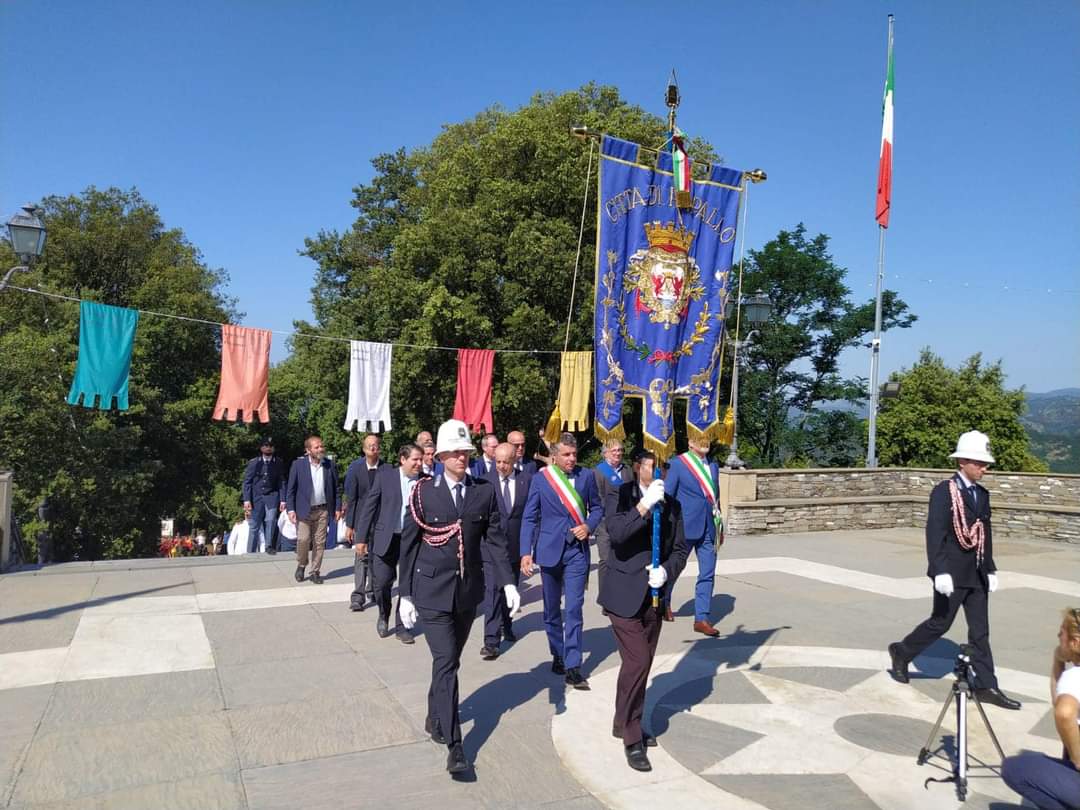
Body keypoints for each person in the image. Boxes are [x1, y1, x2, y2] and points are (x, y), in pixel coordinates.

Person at [398, 419, 520, 776]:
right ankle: (456, 745)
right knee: (447, 661)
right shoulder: (423, 493)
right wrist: (405, 594)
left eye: (466, 452)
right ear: (441, 456)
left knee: (449, 662)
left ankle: (435, 711)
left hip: (467, 593)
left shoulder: (483, 491)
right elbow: (408, 545)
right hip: (431, 592)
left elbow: (496, 541)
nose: (462, 458)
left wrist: (509, 583)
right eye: (454, 453)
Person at [887, 430, 1021, 710]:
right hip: (952, 571)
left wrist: (991, 568)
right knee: (940, 623)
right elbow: (935, 532)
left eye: (985, 463)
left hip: (977, 573)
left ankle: (986, 685)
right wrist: (939, 571)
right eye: (979, 462)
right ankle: (902, 651)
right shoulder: (944, 491)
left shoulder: (981, 495)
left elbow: (984, 532)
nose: (984, 468)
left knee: (980, 631)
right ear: (962, 462)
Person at [602, 450, 688, 772]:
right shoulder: (620, 494)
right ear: (638, 467)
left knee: (641, 665)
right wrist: (644, 505)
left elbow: (680, 548)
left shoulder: (673, 504)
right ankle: (632, 736)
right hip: (622, 594)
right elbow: (618, 533)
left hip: (654, 596)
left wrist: (667, 571)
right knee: (637, 660)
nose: (657, 470)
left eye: (662, 465)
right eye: (652, 464)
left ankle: (621, 719)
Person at [520, 432, 603, 689]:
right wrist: (526, 551)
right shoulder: (541, 480)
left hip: (577, 551)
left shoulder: (586, 476)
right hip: (549, 550)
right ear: (554, 456)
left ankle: (573, 664)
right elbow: (529, 517)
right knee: (552, 608)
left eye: (574, 454)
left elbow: (598, 508)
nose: (571, 459)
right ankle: (557, 651)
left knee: (574, 608)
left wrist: (588, 526)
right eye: (566, 455)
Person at [1002, 608, 1080, 809]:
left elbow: (1064, 713)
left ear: (1075, 642)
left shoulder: (1075, 678)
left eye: (1061, 633)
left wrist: (1079, 761)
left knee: (1015, 769)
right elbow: (1060, 701)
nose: (1057, 637)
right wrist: (1058, 661)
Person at [356, 443, 424, 644]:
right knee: (383, 582)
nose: (419, 464)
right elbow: (369, 507)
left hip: (411, 541)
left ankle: (402, 626)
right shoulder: (385, 477)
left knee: (407, 583)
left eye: (421, 460)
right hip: (386, 538)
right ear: (403, 459)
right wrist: (360, 538)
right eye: (415, 459)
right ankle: (383, 613)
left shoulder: (426, 482)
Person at [664, 438, 724, 636]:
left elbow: (716, 496)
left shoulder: (713, 465)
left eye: (707, 438)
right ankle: (664, 601)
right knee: (675, 568)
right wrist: (669, 527)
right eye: (700, 439)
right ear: (690, 442)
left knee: (707, 573)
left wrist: (720, 525)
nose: (704, 442)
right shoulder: (678, 464)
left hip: (709, 527)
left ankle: (702, 618)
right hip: (685, 527)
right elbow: (668, 497)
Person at [479, 442, 532, 660]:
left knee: (511, 586)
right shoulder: (485, 481)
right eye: (497, 461)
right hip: (491, 548)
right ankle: (491, 640)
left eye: (506, 462)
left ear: (514, 460)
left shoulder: (525, 480)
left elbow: (530, 516)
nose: (501, 466)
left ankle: (507, 625)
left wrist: (528, 549)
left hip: (515, 547)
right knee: (492, 591)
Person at [285, 435, 340, 585]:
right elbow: (291, 489)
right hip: (304, 510)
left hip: (322, 509)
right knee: (303, 539)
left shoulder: (329, 465)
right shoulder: (298, 465)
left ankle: (315, 571)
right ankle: (302, 564)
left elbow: (336, 488)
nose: (320, 449)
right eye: (316, 447)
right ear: (308, 450)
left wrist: (337, 507)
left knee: (319, 542)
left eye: (321, 446)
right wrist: (290, 510)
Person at [344, 434, 385, 610]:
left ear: (379, 448)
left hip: (381, 519)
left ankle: (374, 590)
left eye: (375, 445)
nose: (373, 448)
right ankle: (358, 596)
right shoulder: (355, 468)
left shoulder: (387, 469)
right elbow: (351, 498)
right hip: (361, 519)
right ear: (364, 449)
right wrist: (350, 525)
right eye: (369, 445)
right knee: (361, 555)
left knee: (377, 556)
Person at [592, 439, 634, 595]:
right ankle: (605, 595)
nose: (618, 453)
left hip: (625, 520)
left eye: (620, 450)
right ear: (605, 453)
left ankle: (621, 593)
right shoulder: (598, 472)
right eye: (614, 450)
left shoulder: (627, 470)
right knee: (606, 560)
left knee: (624, 557)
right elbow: (596, 498)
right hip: (604, 522)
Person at [241, 437, 287, 555]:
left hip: (271, 496)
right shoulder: (254, 463)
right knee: (254, 525)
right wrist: (247, 499)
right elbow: (247, 482)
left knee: (271, 520)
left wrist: (283, 500)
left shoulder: (278, 462)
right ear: (261, 448)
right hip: (256, 498)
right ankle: (250, 551)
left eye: (270, 446)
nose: (268, 448)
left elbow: (281, 481)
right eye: (266, 446)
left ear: (274, 448)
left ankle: (268, 546)